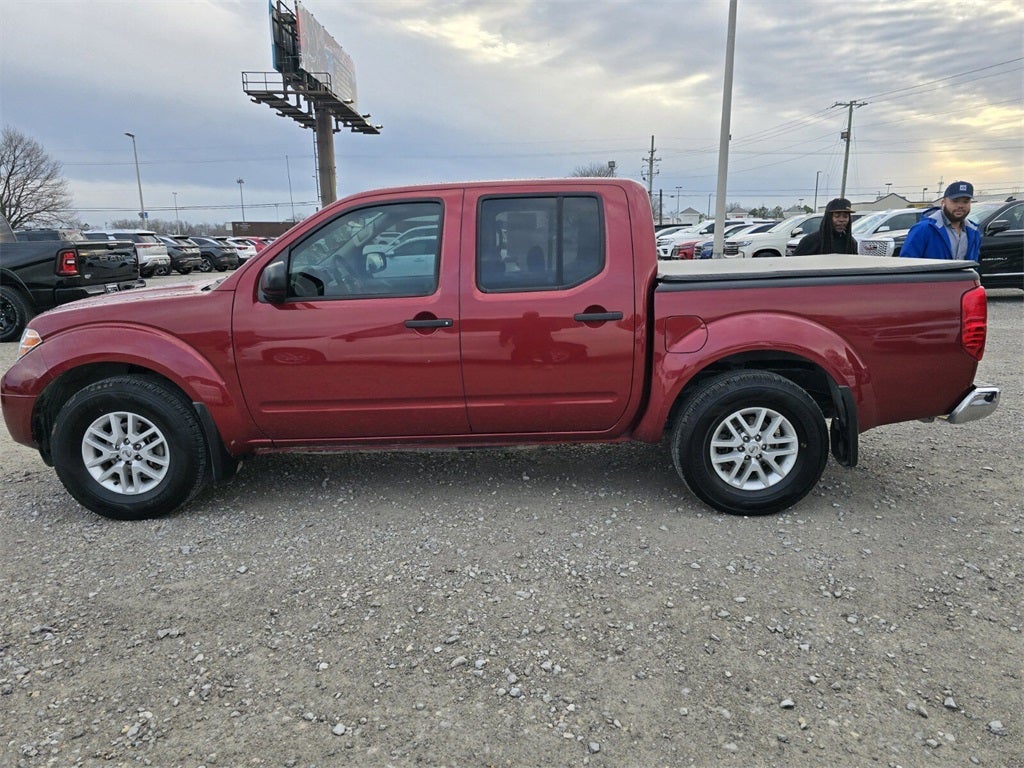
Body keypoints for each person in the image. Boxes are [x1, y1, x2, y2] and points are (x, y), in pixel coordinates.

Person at [900, 181, 980, 261]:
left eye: (965, 202)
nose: (960, 206)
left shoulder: (974, 232)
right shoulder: (924, 229)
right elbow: (907, 264)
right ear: (943, 203)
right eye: (955, 201)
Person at [793, 198, 858, 255]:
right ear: (828, 218)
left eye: (845, 216)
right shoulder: (810, 241)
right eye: (837, 216)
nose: (841, 220)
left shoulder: (851, 243)